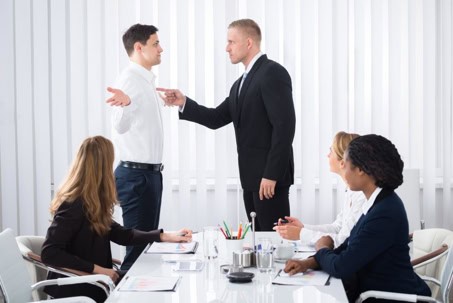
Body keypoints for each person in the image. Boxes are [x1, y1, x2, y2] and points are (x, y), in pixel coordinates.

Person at [157, 19, 296, 231]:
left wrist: (271, 174)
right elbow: (215, 118)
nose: (226, 48)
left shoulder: (272, 73)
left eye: (231, 42)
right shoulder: (240, 84)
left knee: (273, 242)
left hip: (269, 180)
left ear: (249, 43)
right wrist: (183, 102)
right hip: (251, 178)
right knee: (258, 241)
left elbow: (284, 127)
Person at [41, 136, 192, 302]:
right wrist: (98, 269)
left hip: (97, 281)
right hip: (80, 289)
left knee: (162, 282)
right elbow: (49, 252)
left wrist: (163, 236)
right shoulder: (74, 204)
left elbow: (122, 235)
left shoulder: (91, 200)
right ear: (102, 168)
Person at [283, 134, 431, 302]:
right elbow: (347, 248)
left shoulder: (385, 212)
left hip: (393, 297)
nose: (342, 168)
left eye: (345, 164)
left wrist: (322, 247)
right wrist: (307, 263)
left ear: (360, 170)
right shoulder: (376, 202)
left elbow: (341, 266)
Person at [105, 24, 166, 270]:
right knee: (138, 253)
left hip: (148, 175)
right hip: (136, 176)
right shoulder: (129, 80)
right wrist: (127, 102)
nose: (161, 49)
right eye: (155, 43)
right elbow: (119, 126)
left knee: (146, 247)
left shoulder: (145, 81)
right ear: (139, 47)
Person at [274, 131, 366, 249]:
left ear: (342, 161)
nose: (327, 155)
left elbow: (342, 240)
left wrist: (301, 234)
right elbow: (338, 227)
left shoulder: (362, 196)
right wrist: (302, 228)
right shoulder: (351, 191)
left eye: (331, 151)